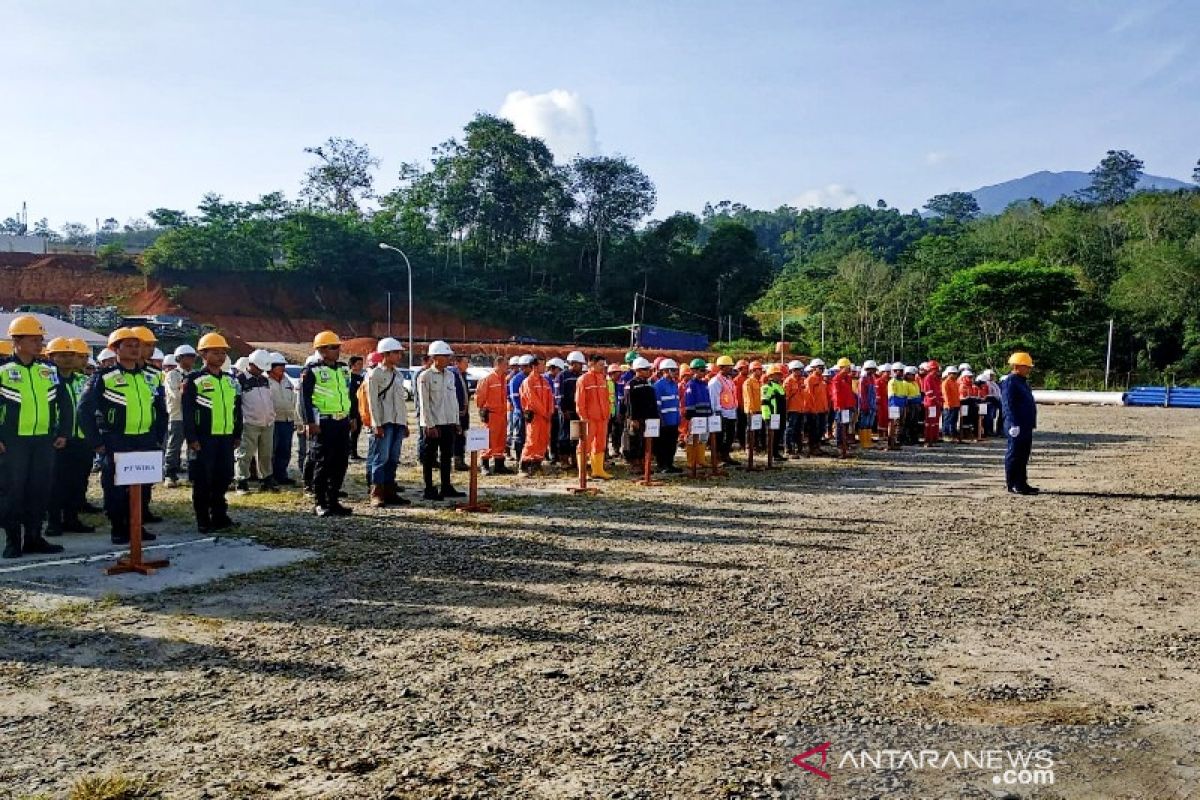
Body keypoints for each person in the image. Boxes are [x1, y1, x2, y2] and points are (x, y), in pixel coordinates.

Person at [78, 327, 166, 545]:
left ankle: (137, 525)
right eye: (128, 345)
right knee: (116, 486)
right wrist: (96, 442)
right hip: (116, 440)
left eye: (138, 345)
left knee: (143, 485)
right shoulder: (104, 377)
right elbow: (84, 410)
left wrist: (158, 436)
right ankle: (119, 528)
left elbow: (160, 409)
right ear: (115, 349)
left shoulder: (151, 376)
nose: (135, 350)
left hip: (145, 439)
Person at [1, 316, 70, 558]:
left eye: (40, 339)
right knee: (13, 491)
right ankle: (13, 541)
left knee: (39, 491)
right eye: (33, 340)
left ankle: (34, 538)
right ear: (17, 341)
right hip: (13, 442)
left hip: (44, 441)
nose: (39, 344)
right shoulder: (3, 371)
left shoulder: (48, 370)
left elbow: (65, 402)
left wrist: (64, 432)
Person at [181, 333, 243, 532]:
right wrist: (191, 438)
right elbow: (188, 411)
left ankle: (219, 515)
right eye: (215, 352)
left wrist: (236, 434)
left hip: (225, 438)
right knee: (203, 480)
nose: (220, 356)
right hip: (204, 439)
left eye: (223, 352)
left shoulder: (230, 380)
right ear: (203, 354)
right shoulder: (194, 380)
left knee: (223, 477)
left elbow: (237, 409)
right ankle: (203, 519)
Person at [44, 338, 95, 538]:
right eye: (62, 355)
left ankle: (72, 519)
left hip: (81, 441)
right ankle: (54, 522)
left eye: (71, 355)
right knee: (55, 484)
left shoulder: (83, 381)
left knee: (78, 482)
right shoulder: (47, 379)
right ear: (50, 357)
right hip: (56, 441)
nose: (68, 359)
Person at [300, 330, 354, 517]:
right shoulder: (312, 370)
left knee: (341, 462)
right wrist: (309, 422)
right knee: (323, 462)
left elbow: (348, 395)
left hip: (342, 421)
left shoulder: (342, 369)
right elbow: (304, 398)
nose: (337, 350)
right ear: (321, 350)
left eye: (338, 347)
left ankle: (333, 500)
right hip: (324, 422)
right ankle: (320, 502)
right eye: (333, 347)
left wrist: (352, 417)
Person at [417, 340, 465, 500]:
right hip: (433, 424)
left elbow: (453, 401)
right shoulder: (425, 376)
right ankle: (429, 488)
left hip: (447, 423)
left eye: (448, 356)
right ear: (435, 357)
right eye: (444, 356)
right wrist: (429, 425)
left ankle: (446, 486)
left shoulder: (450, 375)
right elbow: (424, 403)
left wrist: (456, 421)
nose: (448, 359)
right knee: (429, 458)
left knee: (446, 456)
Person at [365, 337, 411, 506]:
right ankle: (376, 492)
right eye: (396, 353)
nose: (400, 355)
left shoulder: (397, 374)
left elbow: (401, 402)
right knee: (380, 458)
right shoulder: (374, 374)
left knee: (393, 458)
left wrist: (404, 423)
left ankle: (390, 491)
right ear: (386, 354)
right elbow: (372, 402)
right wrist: (376, 424)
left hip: (397, 422)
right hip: (383, 422)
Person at [235, 350, 277, 493]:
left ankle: (266, 479)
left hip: (267, 423)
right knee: (245, 454)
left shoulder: (264, 379)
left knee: (266, 454)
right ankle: (241, 481)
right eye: (259, 368)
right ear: (251, 364)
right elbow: (236, 404)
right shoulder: (240, 380)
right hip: (249, 423)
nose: (261, 371)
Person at [1001, 352, 1039, 495]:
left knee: (1023, 454)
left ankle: (1022, 483)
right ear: (1017, 366)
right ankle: (1013, 484)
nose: (1029, 369)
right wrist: (1012, 423)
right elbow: (1008, 404)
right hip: (1016, 424)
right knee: (1015, 454)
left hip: (1025, 424)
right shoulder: (1010, 381)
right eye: (1026, 366)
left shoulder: (1022, 381)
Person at [163, 344, 197, 487]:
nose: (192, 360)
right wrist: (185, 392)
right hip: (178, 415)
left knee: (193, 445)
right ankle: (170, 474)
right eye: (188, 357)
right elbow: (175, 395)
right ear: (180, 358)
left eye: (193, 357)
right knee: (174, 445)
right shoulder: (173, 375)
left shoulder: (195, 374)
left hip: (193, 416)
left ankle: (193, 473)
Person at [576, 354, 613, 479]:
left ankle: (598, 470)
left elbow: (606, 398)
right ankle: (582, 473)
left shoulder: (603, 378)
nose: (603, 367)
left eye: (604, 365)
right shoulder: (583, 379)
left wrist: (607, 413)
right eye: (600, 365)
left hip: (602, 418)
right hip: (589, 418)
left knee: (600, 444)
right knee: (584, 444)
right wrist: (583, 417)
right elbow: (580, 401)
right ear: (591, 364)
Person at [518, 356, 554, 476]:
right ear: (534, 366)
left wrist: (550, 412)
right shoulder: (528, 382)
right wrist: (545, 413)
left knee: (543, 440)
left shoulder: (544, 381)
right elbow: (533, 400)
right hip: (535, 416)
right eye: (542, 365)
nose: (544, 367)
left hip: (545, 417)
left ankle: (536, 464)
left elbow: (550, 398)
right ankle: (524, 466)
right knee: (532, 440)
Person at [476, 356, 512, 475]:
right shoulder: (488, 379)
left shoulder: (503, 379)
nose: (508, 367)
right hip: (491, 415)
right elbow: (480, 396)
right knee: (488, 440)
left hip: (501, 415)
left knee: (500, 440)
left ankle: (499, 465)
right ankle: (484, 465)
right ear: (498, 364)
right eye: (506, 364)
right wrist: (482, 410)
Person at [620, 357, 658, 469]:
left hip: (648, 418)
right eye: (646, 369)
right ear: (639, 370)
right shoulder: (630, 384)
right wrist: (632, 419)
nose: (649, 371)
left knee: (645, 442)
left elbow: (652, 402)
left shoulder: (649, 384)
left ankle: (643, 463)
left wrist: (655, 417)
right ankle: (634, 464)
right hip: (636, 419)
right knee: (634, 441)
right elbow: (629, 403)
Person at [266, 352, 297, 485]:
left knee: (285, 450)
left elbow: (293, 399)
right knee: (271, 450)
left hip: (287, 420)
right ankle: (269, 476)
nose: (282, 368)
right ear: (271, 367)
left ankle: (281, 475)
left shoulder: (287, 381)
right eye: (279, 365)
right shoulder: (265, 381)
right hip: (272, 421)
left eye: (283, 365)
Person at [683, 358, 714, 471]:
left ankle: (701, 460)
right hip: (696, 416)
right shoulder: (691, 384)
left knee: (703, 437)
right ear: (694, 371)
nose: (704, 373)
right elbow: (689, 399)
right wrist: (691, 413)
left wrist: (710, 410)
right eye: (701, 370)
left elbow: (708, 398)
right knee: (692, 438)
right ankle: (691, 461)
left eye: (704, 370)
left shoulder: (704, 384)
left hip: (705, 414)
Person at [708, 355, 740, 466]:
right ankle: (718, 458)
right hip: (721, 413)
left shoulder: (729, 380)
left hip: (730, 412)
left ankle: (726, 455)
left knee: (730, 436)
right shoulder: (715, 382)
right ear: (722, 367)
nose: (731, 369)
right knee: (719, 437)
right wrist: (717, 412)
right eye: (728, 367)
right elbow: (714, 398)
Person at [557, 351, 586, 468]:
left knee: (575, 436)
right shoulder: (562, 376)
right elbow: (558, 395)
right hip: (566, 411)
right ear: (573, 363)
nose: (581, 366)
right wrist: (563, 410)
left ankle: (574, 459)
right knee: (564, 435)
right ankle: (564, 460)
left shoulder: (580, 376)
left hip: (577, 411)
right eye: (580, 364)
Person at [653, 359, 682, 473]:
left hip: (673, 420)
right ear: (665, 371)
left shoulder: (674, 384)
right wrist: (661, 420)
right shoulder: (658, 386)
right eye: (673, 370)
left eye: (676, 370)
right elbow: (658, 406)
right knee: (662, 444)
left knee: (671, 444)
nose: (675, 372)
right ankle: (662, 465)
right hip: (664, 421)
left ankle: (670, 464)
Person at [830, 358, 856, 458]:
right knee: (841, 427)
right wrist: (839, 406)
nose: (849, 369)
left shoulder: (848, 379)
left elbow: (850, 393)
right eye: (847, 368)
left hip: (848, 407)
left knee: (845, 426)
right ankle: (840, 447)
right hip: (841, 407)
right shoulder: (836, 379)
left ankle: (844, 446)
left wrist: (852, 405)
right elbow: (835, 394)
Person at [450, 354, 471, 472]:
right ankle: (457, 460)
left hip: (464, 412)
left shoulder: (463, 375)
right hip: (456, 411)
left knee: (462, 435)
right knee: (457, 436)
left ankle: (460, 458)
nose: (467, 365)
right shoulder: (453, 375)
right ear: (457, 363)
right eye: (465, 362)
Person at [761, 364, 787, 461]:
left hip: (780, 415)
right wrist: (766, 416)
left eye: (779, 374)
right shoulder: (767, 387)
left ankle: (775, 453)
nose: (779, 376)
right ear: (770, 375)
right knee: (772, 435)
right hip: (772, 415)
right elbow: (764, 402)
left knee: (778, 435)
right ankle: (770, 454)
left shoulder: (780, 386)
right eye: (776, 374)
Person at [507, 355, 530, 461]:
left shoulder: (529, 378)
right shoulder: (516, 380)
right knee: (519, 435)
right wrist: (523, 410)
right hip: (520, 412)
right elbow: (515, 398)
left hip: (528, 412)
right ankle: (519, 457)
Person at [804, 358, 829, 455]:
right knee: (814, 430)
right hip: (813, 411)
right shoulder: (810, 380)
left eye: (823, 368)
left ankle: (817, 446)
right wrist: (812, 410)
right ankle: (812, 448)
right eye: (820, 368)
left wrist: (826, 408)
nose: (822, 369)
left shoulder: (822, 380)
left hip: (822, 409)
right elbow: (809, 396)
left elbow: (823, 396)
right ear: (814, 368)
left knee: (821, 429)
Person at [783, 361, 806, 456]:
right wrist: (786, 410)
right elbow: (786, 397)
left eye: (800, 370)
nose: (800, 372)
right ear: (792, 370)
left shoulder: (802, 380)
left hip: (800, 409)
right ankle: (788, 449)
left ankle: (798, 449)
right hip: (792, 409)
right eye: (797, 370)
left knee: (799, 429)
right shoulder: (788, 381)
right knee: (790, 429)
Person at [741, 361, 764, 454]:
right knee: (750, 428)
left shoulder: (759, 382)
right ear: (753, 370)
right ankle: (749, 447)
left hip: (759, 409)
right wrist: (751, 410)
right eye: (759, 369)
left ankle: (756, 446)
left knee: (757, 428)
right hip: (752, 410)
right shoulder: (748, 382)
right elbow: (748, 397)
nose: (761, 371)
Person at [347, 355, 366, 462]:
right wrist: (352, 415)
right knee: (352, 432)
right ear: (353, 366)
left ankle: (354, 451)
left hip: (361, 409)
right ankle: (350, 452)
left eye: (361, 363)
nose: (361, 366)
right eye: (358, 364)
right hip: (353, 410)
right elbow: (351, 398)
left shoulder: (362, 378)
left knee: (357, 431)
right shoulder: (350, 379)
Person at [858, 360, 878, 443]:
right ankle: (864, 441)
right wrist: (864, 406)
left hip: (872, 405)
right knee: (864, 423)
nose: (874, 371)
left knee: (870, 423)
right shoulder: (863, 379)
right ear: (868, 369)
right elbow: (862, 394)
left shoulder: (872, 378)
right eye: (873, 369)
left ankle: (868, 440)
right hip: (865, 405)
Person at [941, 365, 962, 443]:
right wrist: (948, 404)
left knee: (954, 421)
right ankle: (946, 435)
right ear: (949, 373)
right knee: (947, 421)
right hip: (949, 405)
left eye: (956, 373)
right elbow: (945, 394)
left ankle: (953, 435)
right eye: (954, 373)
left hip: (956, 405)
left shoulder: (955, 383)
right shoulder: (945, 382)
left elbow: (957, 394)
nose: (956, 375)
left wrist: (958, 404)